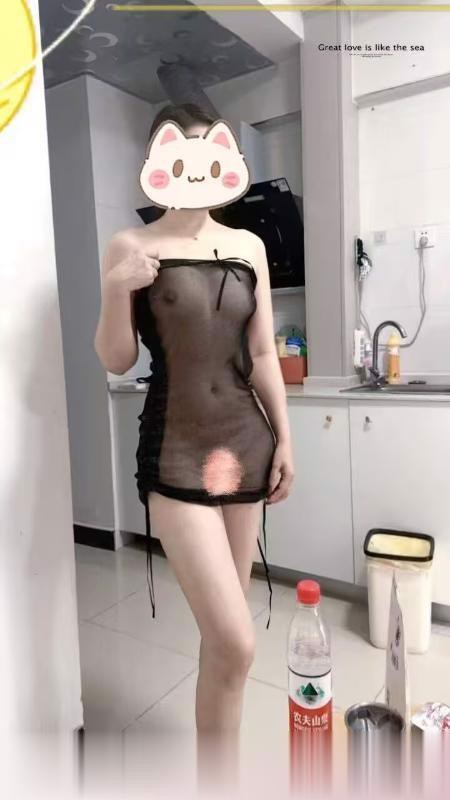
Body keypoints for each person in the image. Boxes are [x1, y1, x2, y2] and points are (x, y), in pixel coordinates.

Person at [94, 103, 294, 783]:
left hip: (245, 444)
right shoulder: (130, 244)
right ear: (160, 163)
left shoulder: (247, 247)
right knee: (237, 640)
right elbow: (117, 358)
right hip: (175, 450)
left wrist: (286, 440)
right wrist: (116, 290)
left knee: (222, 638)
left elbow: (261, 353)